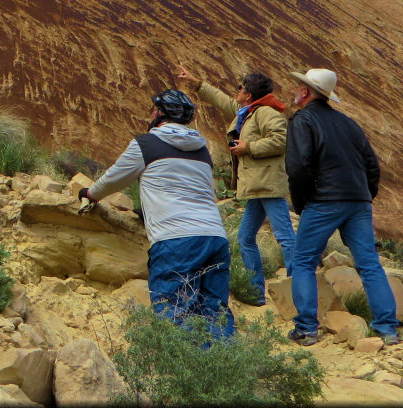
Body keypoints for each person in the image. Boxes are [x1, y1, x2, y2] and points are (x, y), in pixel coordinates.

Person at [78, 89, 235, 340]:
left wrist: (90, 193)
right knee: (214, 312)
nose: (149, 112)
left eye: (153, 108)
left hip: (176, 241)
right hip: (215, 237)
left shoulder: (147, 144)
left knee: (173, 313)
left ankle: (181, 374)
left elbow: (114, 179)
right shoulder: (202, 150)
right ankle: (225, 371)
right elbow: (192, 190)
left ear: (160, 113)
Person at [285, 68, 399, 346]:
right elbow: (372, 165)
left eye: (299, 86)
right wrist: (364, 195)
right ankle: (387, 329)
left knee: (303, 261)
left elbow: (298, 168)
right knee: (369, 263)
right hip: (357, 200)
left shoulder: (302, 120)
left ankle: (307, 329)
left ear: (306, 92)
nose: (295, 90)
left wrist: (303, 203)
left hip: (323, 200)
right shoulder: (348, 123)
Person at [176, 65, 295, 306]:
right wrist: (197, 83)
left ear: (248, 94)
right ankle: (255, 291)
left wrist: (248, 147)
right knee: (245, 237)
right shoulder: (248, 112)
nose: (236, 92)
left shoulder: (266, 113)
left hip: (268, 185)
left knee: (285, 237)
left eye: (240, 88)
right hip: (258, 187)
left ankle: (298, 287)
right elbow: (223, 101)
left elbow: (281, 140)